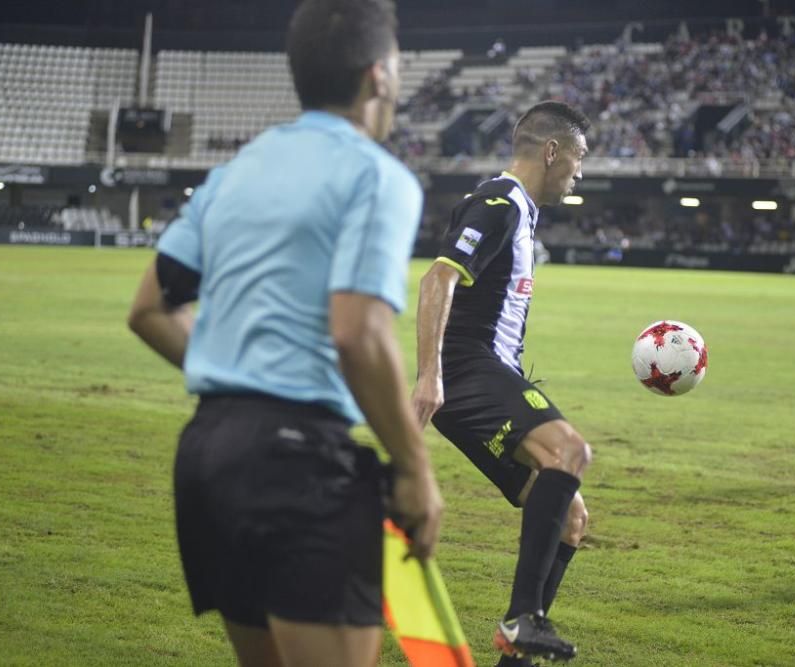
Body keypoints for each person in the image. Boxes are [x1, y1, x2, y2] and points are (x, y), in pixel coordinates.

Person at [126, 1, 442, 665]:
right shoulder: (376, 174)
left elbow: (151, 308)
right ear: (379, 75)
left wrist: (236, 370)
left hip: (208, 456)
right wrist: (415, 466)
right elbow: (358, 335)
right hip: (297, 465)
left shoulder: (237, 170)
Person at [412, 101, 592, 665]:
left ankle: (515, 654)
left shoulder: (521, 210)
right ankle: (522, 620)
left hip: (485, 374)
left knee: (570, 518)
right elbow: (437, 278)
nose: (579, 173)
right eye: (579, 159)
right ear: (552, 151)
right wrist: (429, 376)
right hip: (467, 372)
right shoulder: (498, 203)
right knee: (569, 450)